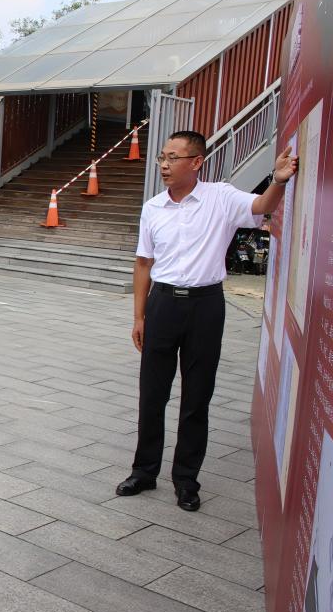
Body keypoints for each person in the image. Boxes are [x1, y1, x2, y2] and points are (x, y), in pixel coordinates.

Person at [116, 130, 297, 511]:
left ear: (196, 162)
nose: (164, 165)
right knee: (152, 393)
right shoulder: (153, 208)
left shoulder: (221, 197)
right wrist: (139, 316)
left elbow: (261, 205)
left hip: (206, 306)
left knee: (197, 396)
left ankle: (186, 480)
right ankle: (144, 471)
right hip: (162, 304)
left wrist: (279, 180)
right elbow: (143, 263)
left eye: (173, 157)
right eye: (162, 157)